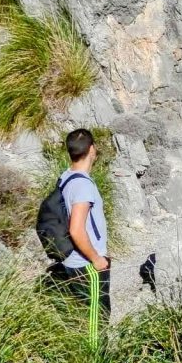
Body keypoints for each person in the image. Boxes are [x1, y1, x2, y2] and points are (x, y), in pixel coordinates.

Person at [50, 128, 111, 344]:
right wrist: (96, 259)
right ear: (92, 149)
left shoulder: (67, 177)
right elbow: (76, 229)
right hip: (87, 265)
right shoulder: (83, 185)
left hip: (74, 261)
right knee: (96, 321)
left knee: (83, 317)